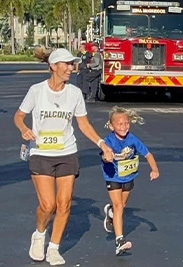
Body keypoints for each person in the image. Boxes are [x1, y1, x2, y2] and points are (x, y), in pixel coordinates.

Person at [14, 47, 114, 265]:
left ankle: (54, 248)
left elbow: (83, 124)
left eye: (72, 64)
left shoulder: (74, 93)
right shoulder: (37, 91)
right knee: (48, 205)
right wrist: (23, 128)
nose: (71, 68)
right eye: (67, 64)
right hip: (40, 152)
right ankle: (39, 234)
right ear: (53, 66)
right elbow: (19, 116)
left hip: (67, 152)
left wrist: (102, 143)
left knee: (64, 203)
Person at [101, 106, 159, 255]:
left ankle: (110, 212)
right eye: (120, 124)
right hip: (112, 176)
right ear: (111, 126)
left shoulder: (132, 139)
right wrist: (106, 158)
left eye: (126, 123)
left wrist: (154, 169)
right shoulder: (109, 140)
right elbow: (104, 155)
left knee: (121, 206)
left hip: (129, 176)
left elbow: (148, 154)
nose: (124, 127)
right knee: (119, 205)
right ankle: (119, 240)